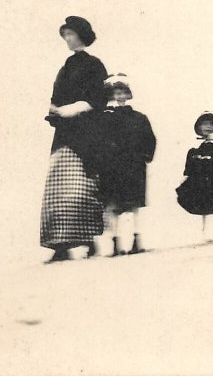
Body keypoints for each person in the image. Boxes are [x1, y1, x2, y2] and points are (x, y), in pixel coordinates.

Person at [40, 16, 109, 262]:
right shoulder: (66, 67)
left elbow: (97, 98)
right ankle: (60, 245)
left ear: (80, 35)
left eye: (70, 34)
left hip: (86, 134)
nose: (67, 39)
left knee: (81, 189)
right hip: (65, 134)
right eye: (65, 35)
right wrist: (54, 110)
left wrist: (70, 110)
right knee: (58, 188)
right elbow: (56, 95)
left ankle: (88, 240)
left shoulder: (94, 65)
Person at [99, 74, 156, 256]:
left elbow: (150, 139)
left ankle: (135, 242)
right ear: (111, 95)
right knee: (113, 206)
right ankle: (115, 244)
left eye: (123, 92)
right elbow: (99, 141)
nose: (120, 96)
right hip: (112, 168)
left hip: (134, 167)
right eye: (116, 92)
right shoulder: (105, 118)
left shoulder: (139, 118)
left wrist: (146, 155)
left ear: (129, 95)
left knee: (133, 206)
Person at [175, 112, 213, 242]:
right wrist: (186, 175)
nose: (207, 127)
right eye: (204, 124)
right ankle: (206, 232)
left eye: (210, 124)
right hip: (202, 181)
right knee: (204, 207)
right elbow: (190, 162)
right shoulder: (197, 146)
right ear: (199, 127)